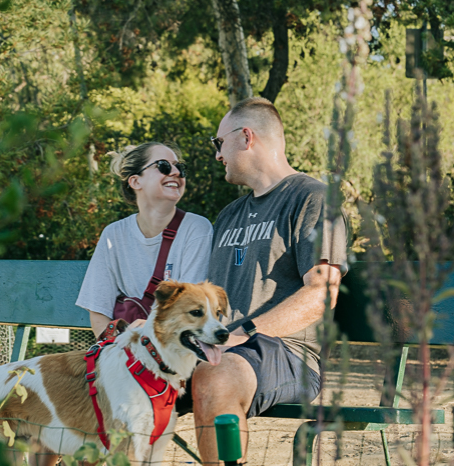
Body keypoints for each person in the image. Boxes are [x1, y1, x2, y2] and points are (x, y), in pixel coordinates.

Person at [191, 97, 348, 464]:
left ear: (245, 137)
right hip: (221, 349)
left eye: (219, 144)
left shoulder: (312, 199)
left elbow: (322, 293)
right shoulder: (229, 215)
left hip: (287, 354)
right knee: (114, 373)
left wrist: (242, 334)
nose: (217, 155)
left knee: (217, 377)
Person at [76, 142, 213, 339]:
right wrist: (118, 352)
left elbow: (190, 308)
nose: (176, 172)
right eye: (164, 166)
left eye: (180, 167)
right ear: (135, 181)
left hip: (174, 350)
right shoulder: (113, 235)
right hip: (126, 351)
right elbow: (99, 313)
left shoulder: (196, 229)